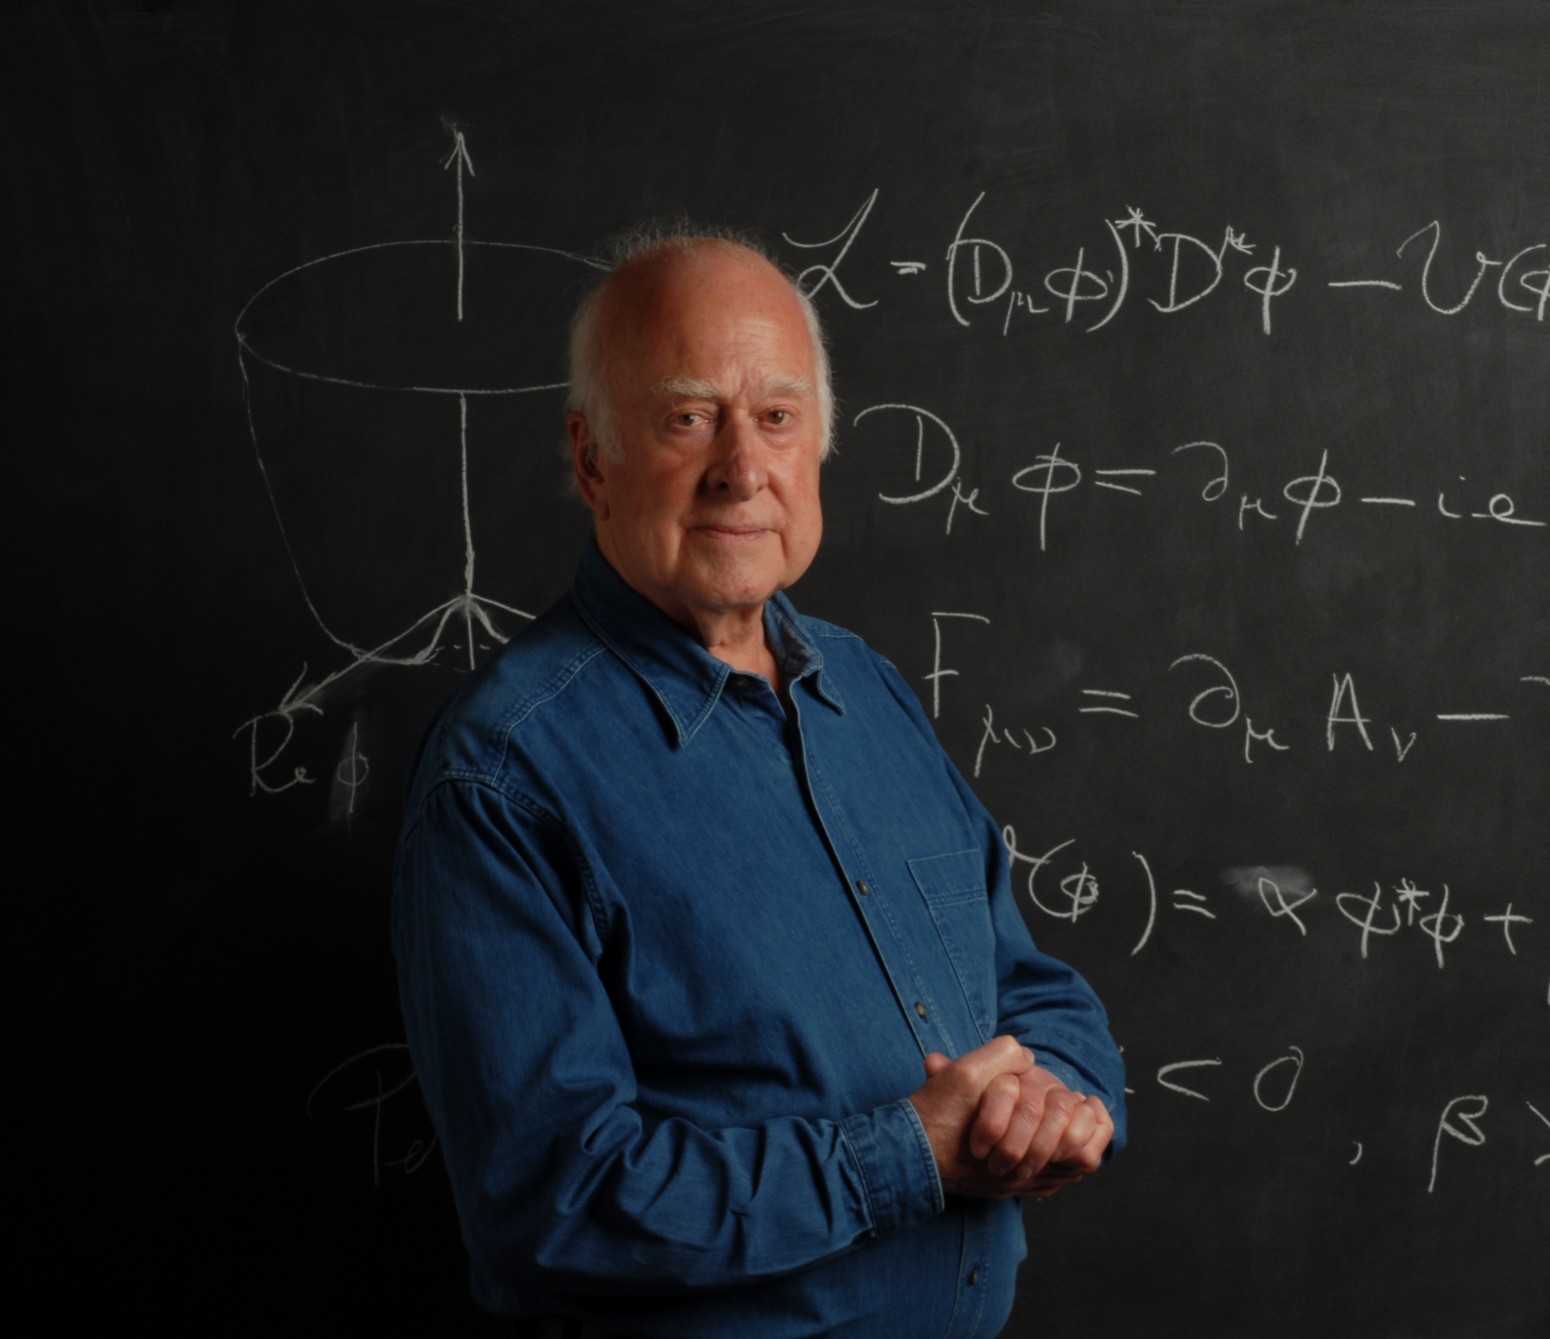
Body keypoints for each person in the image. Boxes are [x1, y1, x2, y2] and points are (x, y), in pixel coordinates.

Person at [391, 227, 1124, 1339]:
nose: (742, 465)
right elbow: (551, 1198)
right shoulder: (505, 774)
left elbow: (1027, 988)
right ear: (593, 459)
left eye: (775, 417)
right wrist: (916, 1151)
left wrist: (1057, 1105)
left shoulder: (864, 690)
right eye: (687, 418)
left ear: (816, 445)